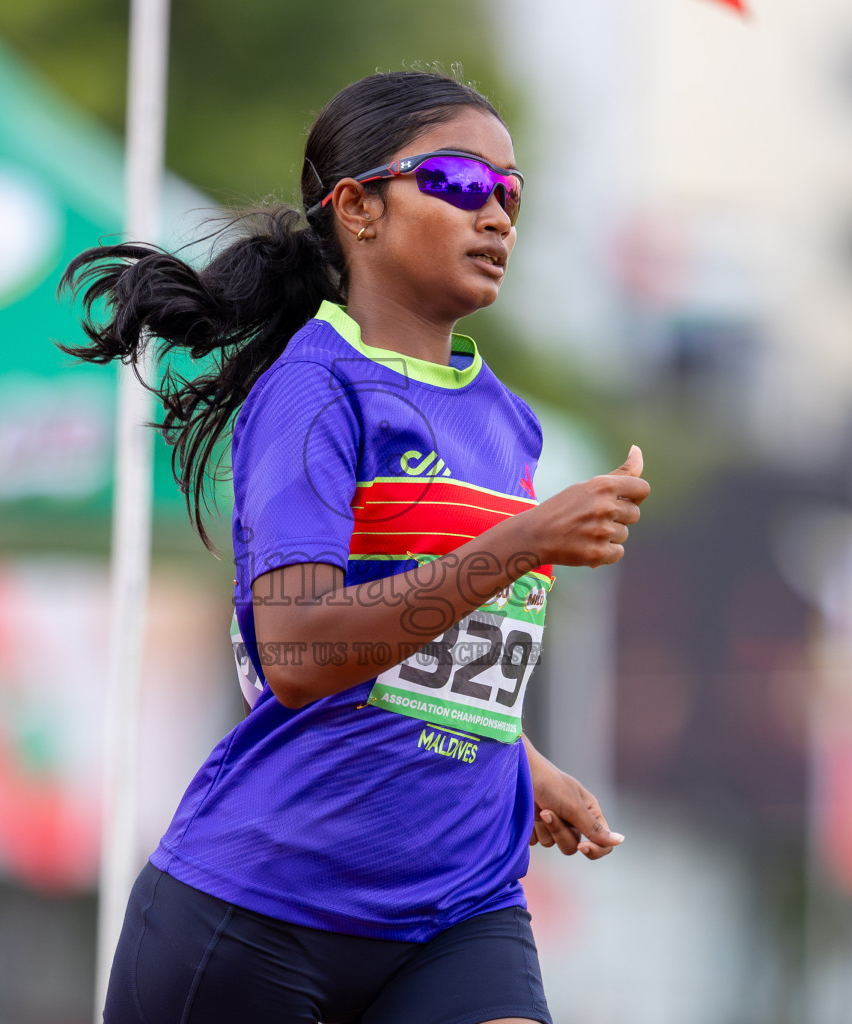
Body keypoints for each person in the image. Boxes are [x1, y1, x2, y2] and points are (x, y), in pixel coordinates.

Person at [61, 69, 650, 1024]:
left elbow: (429, 648)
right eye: (462, 182)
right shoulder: (313, 392)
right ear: (359, 207)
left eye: (511, 192)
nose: (497, 214)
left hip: (461, 908)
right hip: (263, 914)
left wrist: (514, 753)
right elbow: (298, 655)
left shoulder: (507, 421)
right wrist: (525, 539)